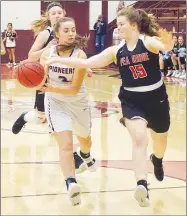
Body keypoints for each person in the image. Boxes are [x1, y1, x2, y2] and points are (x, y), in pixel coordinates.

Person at [44, 8, 173, 207]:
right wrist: (57, 59)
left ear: (133, 25)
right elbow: (87, 62)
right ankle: (142, 185)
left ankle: (157, 159)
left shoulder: (146, 42)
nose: (117, 27)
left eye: (121, 24)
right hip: (132, 100)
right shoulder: (116, 51)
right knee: (139, 138)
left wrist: (166, 43)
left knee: (160, 141)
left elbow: (161, 45)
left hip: (156, 99)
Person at [11, 2, 88, 174]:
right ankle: (25, 117)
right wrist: (50, 48)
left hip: (65, 84)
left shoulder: (68, 32)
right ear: (48, 16)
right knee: (42, 119)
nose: (57, 15)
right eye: (53, 13)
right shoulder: (46, 34)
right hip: (45, 81)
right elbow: (31, 55)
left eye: (59, 12)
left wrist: (86, 67)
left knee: (58, 125)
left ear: (64, 13)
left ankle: (73, 156)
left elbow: (76, 57)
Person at [38, 17, 96, 206]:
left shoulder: (80, 57)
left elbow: (72, 90)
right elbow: (41, 81)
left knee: (85, 140)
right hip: (56, 104)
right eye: (66, 30)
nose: (71, 33)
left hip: (77, 102)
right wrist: (37, 81)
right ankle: (70, 182)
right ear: (57, 34)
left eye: (73, 30)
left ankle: (85, 155)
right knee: (65, 145)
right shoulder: (47, 53)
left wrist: (50, 88)